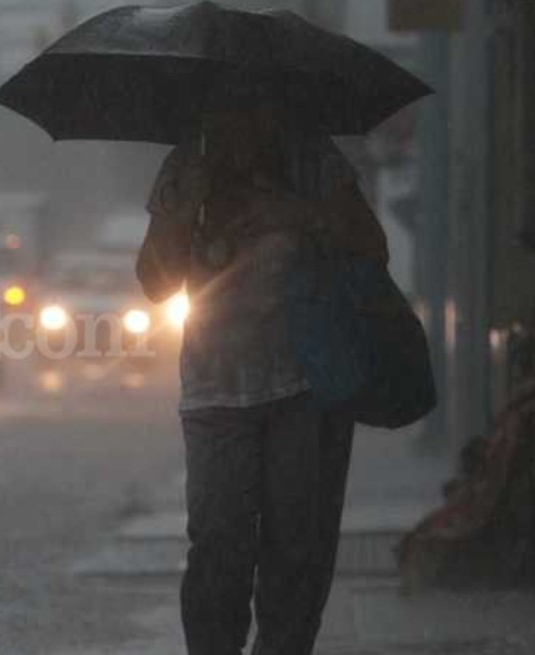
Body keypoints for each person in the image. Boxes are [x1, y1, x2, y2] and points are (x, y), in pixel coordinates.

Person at [135, 104, 388, 655]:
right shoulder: (185, 168)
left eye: (249, 106)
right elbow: (155, 285)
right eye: (225, 109)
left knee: (297, 552)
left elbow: (373, 249)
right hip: (214, 391)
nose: (238, 126)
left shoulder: (314, 160)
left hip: (307, 387)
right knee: (218, 546)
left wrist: (299, 216)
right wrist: (182, 212)